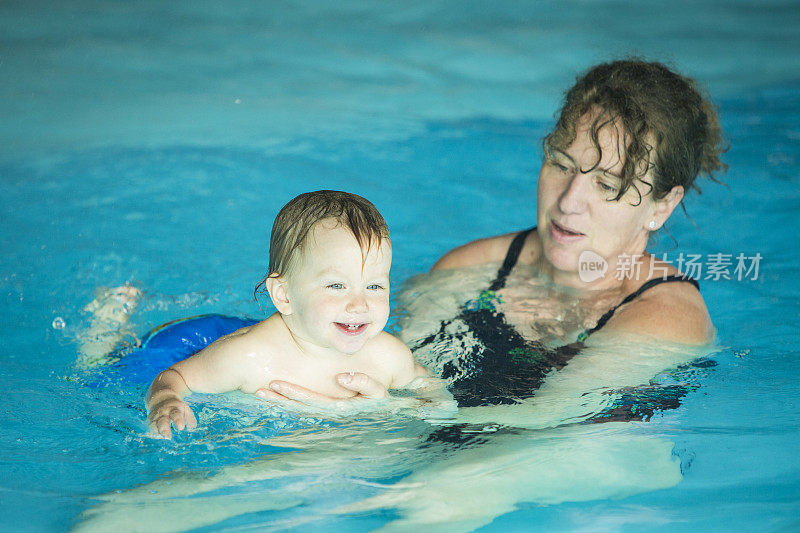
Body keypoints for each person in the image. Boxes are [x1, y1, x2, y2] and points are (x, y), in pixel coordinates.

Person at [257, 59, 728, 407]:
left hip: (577, 456)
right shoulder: (467, 269)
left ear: (661, 206)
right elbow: (392, 372)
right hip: (440, 433)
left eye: (606, 185)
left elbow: (551, 421)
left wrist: (396, 411)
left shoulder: (665, 316)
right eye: (561, 164)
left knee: (439, 500)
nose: (568, 201)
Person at [145, 191, 427, 438]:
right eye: (337, 285)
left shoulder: (389, 357)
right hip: (181, 340)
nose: (359, 304)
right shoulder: (249, 357)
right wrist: (165, 401)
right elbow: (174, 377)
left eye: (375, 286)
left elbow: (432, 394)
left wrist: (397, 405)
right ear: (284, 295)